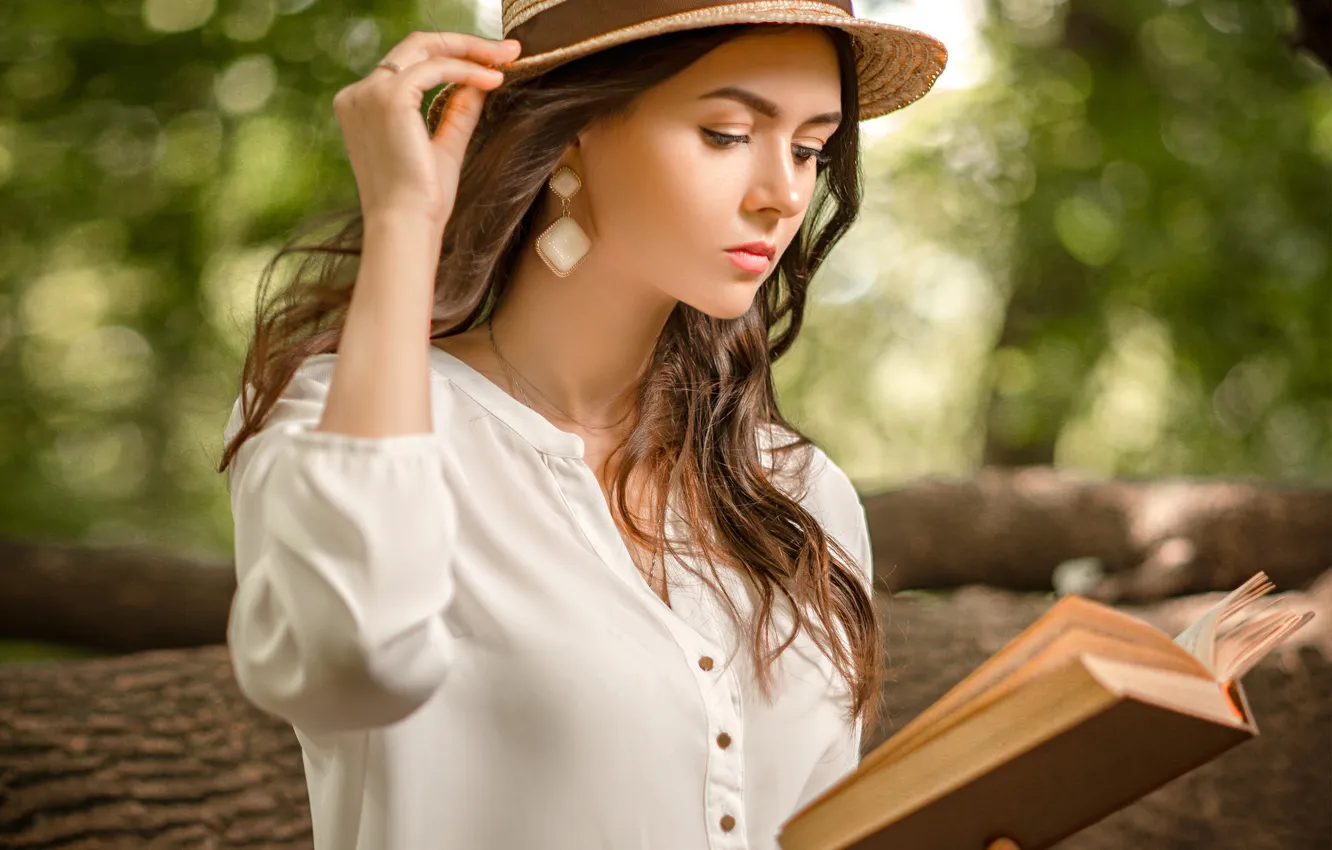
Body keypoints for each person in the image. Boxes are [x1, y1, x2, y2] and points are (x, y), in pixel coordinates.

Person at [218, 2, 1016, 848]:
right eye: (726, 133)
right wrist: (404, 227)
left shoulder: (797, 491)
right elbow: (345, 667)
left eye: (811, 148)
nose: (783, 193)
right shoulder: (352, 419)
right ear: (572, 130)